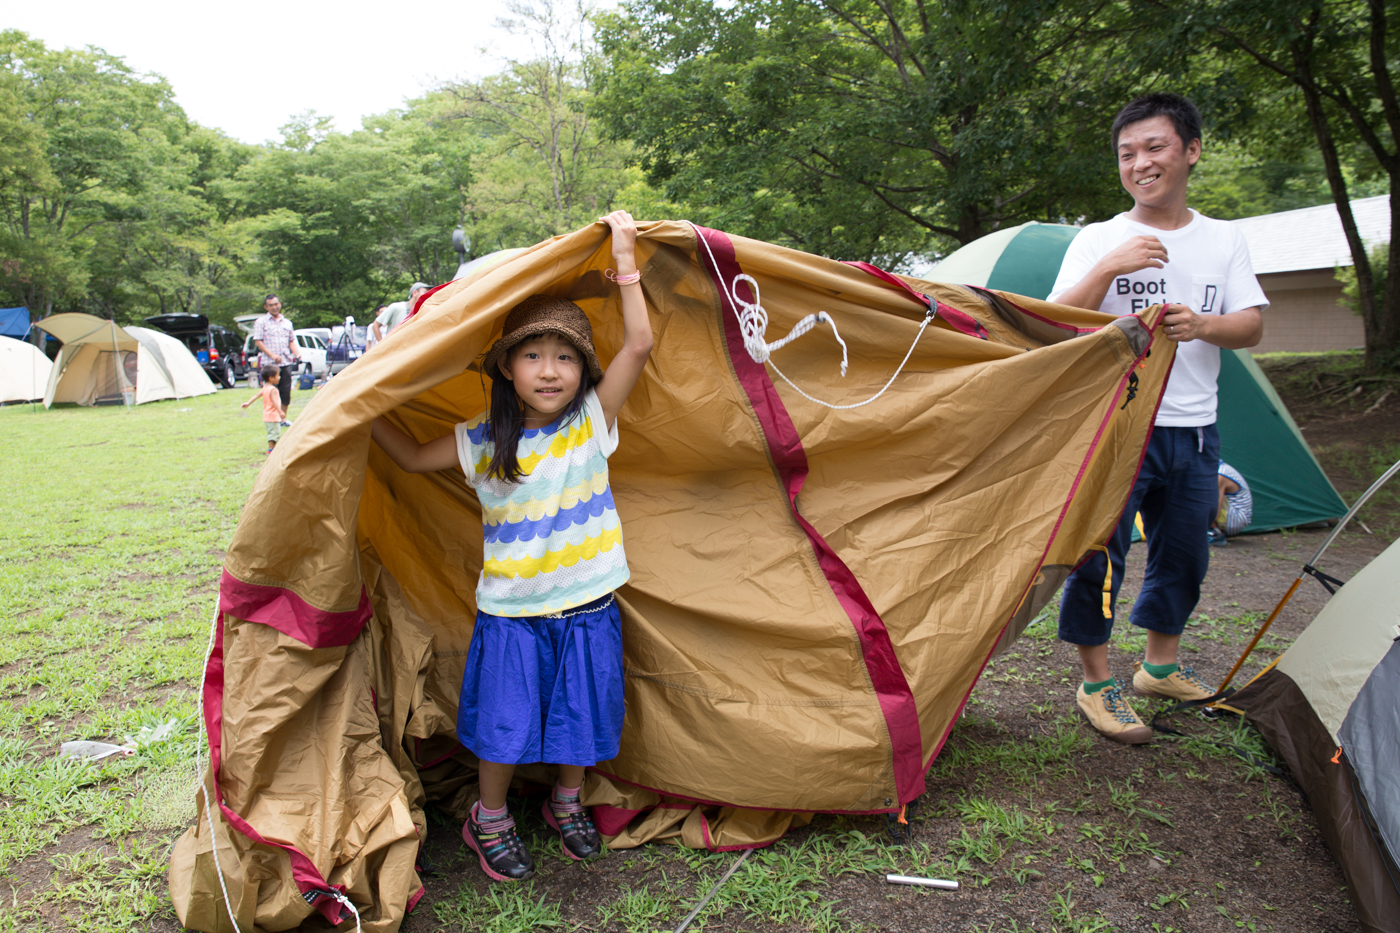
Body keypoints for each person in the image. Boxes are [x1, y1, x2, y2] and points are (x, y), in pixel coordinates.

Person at [369, 211, 651, 881]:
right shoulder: (482, 440)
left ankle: (567, 801)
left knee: (582, 713)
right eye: (533, 355)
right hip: (512, 612)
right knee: (505, 721)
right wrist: (359, 406)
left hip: (587, 603)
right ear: (506, 366)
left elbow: (638, 342)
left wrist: (625, 257)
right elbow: (408, 457)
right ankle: (487, 818)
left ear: (583, 369)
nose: (549, 370)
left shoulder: (591, 422)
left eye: (564, 356)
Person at [1050, 93, 1267, 744]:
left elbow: (1252, 324)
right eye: (1127, 153)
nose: (1140, 163)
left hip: (1196, 431)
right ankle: (1095, 683)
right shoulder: (1099, 238)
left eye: (1154, 147)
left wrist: (1204, 324)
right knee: (1102, 557)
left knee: (1186, 553)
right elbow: (1059, 321)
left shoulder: (1224, 238)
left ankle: (1159, 667)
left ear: (1191, 150)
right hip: (1119, 427)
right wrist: (1111, 267)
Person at [253, 294, 300, 425]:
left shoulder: (287, 322)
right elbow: (258, 341)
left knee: (285, 392)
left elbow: (291, 341)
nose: (274, 307)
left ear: (279, 304)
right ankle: (271, 419)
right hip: (269, 364)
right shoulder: (261, 322)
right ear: (266, 307)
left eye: (276, 304)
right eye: (271, 305)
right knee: (271, 394)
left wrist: (297, 353)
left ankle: (282, 419)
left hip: (285, 362)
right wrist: (272, 355)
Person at [241, 364, 285, 454]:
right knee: (275, 433)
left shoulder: (265, 388)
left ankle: (273, 448)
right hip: (273, 415)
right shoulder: (273, 389)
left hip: (267, 415)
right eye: (278, 375)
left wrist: (248, 403)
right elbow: (274, 401)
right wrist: (280, 411)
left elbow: (256, 396)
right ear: (271, 378)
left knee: (272, 432)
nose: (279, 377)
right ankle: (271, 449)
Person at [1210, 462, 1253, 545]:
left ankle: (1214, 533)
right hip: (1229, 513)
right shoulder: (1212, 468)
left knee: (1200, 493)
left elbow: (1214, 514)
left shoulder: (1219, 474)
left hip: (1235, 518)